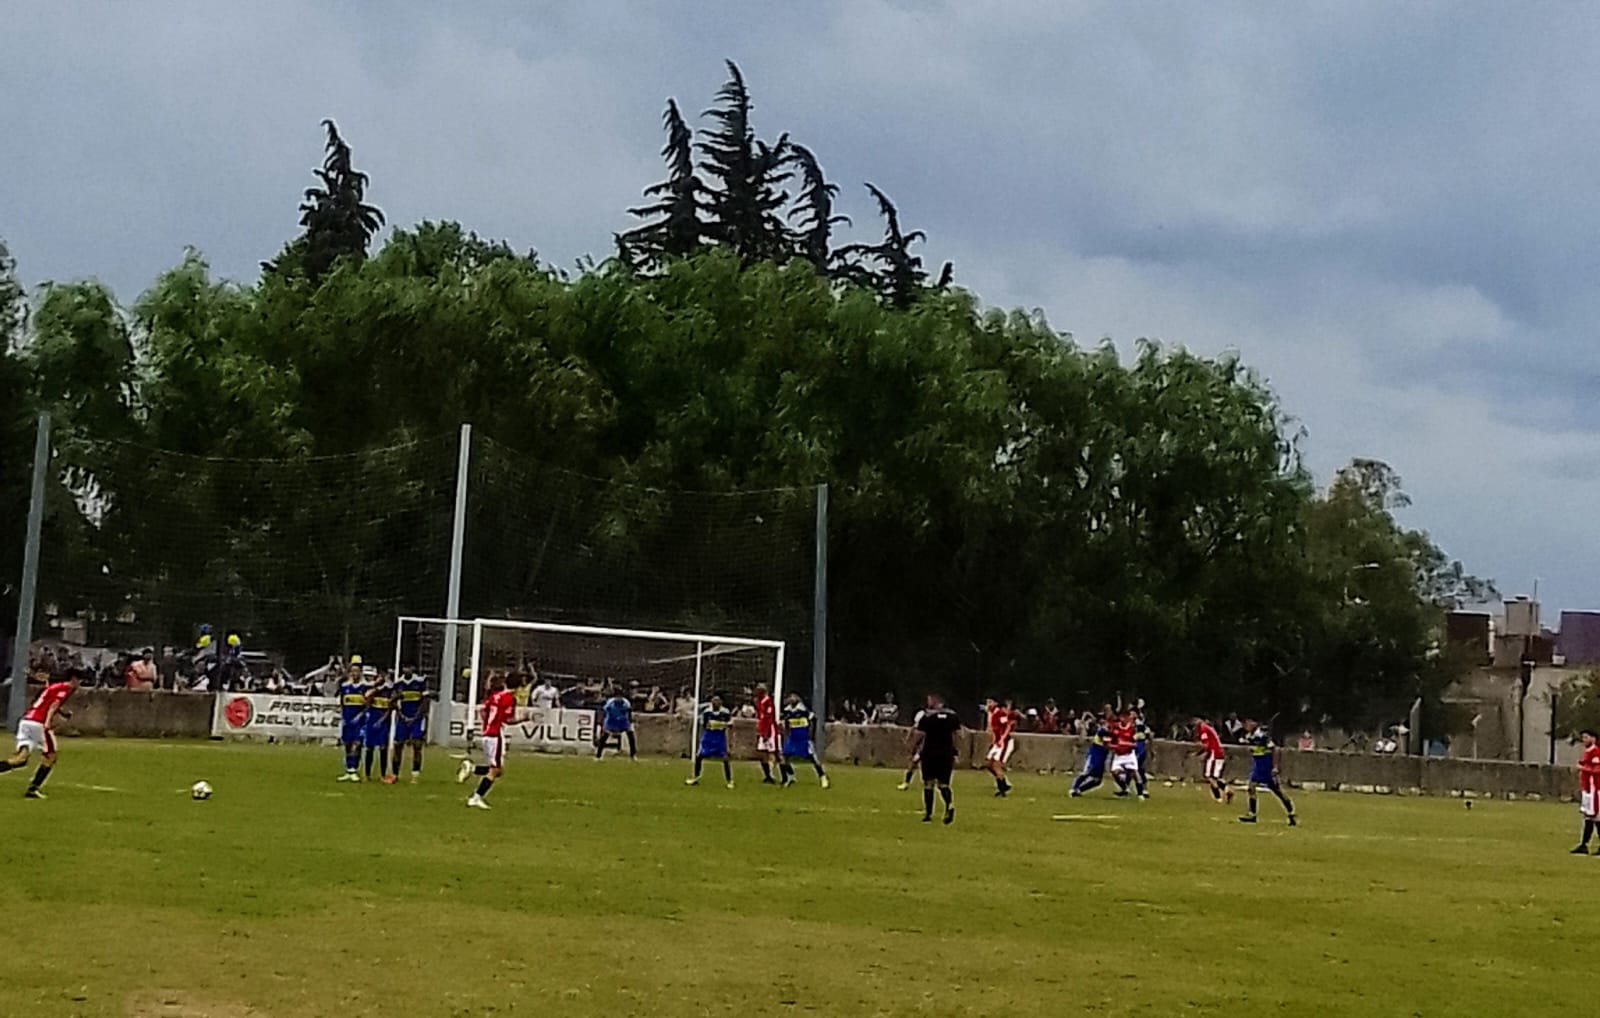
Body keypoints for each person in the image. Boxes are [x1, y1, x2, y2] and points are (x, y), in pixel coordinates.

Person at [0, 667, 80, 798]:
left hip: (26, 721)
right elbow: (53, 705)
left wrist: (63, 713)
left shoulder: (53, 687)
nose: (80, 684)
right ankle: (33, 789)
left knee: (21, 759)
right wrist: (47, 722)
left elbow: (48, 703)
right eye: (80, 680)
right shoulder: (64, 688)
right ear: (74, 679)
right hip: (39, 724)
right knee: (50, 757)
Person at [459, 672, 521, 809]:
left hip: (487, 734)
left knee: (498, 770)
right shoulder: (509, 699)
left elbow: (483, 711)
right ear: (518, 687)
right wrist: (525, 719)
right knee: (495, 770)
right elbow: (508, 719)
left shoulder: (495, 695)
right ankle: (476, 797)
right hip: (495, 735)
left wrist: (488, 724)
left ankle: (472, 768)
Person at [911, 693, 961, 825]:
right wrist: (956, 751)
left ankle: (928, 814)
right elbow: (957, 735)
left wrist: (914, 748)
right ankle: (949, 805)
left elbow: (920, 734)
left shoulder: (927, 716)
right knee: (944, 784)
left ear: (935, 700)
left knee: (929, 783)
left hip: (930, 753)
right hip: (946, 754)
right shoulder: (952, 716)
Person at [1239, 717, 1297, 826]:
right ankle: (1252, 814)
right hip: (1258, 765)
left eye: (1248, 722)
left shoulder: (1262, 735)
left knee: (1277, 790)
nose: (1246, 725)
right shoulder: (1249, 736)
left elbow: (1274, 749)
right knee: (1251, 787)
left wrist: (1275, 766)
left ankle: (1291, 813)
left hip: (1266, 765)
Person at [778, 692, 829, 788]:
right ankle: (790, 776)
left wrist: (811, 734)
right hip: (793, 737)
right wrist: (787, 731)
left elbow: (813, 719)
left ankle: (823, 776)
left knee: (812, 758)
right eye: (790, 697)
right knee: (784, 757)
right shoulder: (787, 710)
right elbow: (786, 721)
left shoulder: (803, 710)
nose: (791, 698)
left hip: (803, 737)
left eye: (793, 697)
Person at [685, 694, 734, 788]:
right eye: (714, 701)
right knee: (699, 756)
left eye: (718, 701)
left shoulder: (725, 712)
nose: (716, 703)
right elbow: (704, 724)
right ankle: (695, 777)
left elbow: (730, 724)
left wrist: (724, 725)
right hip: (709, 736)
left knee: (725, 758)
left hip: (719, 737)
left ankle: (729, 781)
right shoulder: (707, 712)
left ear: (721, 703)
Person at [391, 666, 430, 784]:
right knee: (398, 745)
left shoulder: (420, 682)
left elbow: (425, 701)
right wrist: (400, 714)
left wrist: (417, 716)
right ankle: (395, 774)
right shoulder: (398, 683)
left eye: (409, 667)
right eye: (405, 667)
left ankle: (415, 774)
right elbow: (393, 700)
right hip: (403, 718)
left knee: (417, 744)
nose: (407, 670)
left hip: (416, 718)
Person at [336, 657, 370, 782]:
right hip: (347, 721)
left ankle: (354, 769)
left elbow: (368, 706)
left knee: (357, 744)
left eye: (357, 671)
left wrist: (360, 716)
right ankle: (348, 769)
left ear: (360, 672)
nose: (354, 673)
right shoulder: (345, 687)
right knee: (347, 745)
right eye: (352, 671)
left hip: (359, 722)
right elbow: (342, 703)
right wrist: (343, 716)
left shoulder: (365, 687)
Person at [363, 671, 396, 783]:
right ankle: (367, 774)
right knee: (369, 748)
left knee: (383, 748)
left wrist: (382, 720)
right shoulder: (372, 689)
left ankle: (382, 774)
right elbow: (367, 698)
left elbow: (391, 708)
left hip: (383, 723)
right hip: (372, 722)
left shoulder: (389, 691)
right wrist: (377, 688)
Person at [1070, 714, 1111, 797]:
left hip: (1102, 757)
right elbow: (1108, 743)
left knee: (1097, 780)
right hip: (1095, 756)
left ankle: (1079, 790)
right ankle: (1074, 788)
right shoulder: (1102, 731)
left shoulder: (1108, 731)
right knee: (1087, 772)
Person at [1194, 714, 1231, 804]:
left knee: (1210, 777)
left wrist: (1202, 751)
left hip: (1214, 754)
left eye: (1196, 720)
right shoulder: (1208, 728)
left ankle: (1218, 798)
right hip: (1218, 753)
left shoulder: (1203, 729)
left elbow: (1206, 744)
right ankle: (1227, 790)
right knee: (1214, 777)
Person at [1109, 709, 1145, 799]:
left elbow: (1135, 744)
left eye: (1126, 717)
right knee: (1114, 772)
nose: (1124, 719)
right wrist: (1115, 746)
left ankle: (1140, 794)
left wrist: (1125, 744)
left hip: (1129, 754)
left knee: (1134, 772)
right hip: (1118, 755)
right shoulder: (1115, 727)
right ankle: (1125, 789)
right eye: (1122, 717)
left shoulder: (1133, 729)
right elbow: (1110, 743)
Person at [982, 698, 1015, 797]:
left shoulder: (1000, 713)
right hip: (997, 742)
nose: (988, 704)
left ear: (996, 703)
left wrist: (1002, 739)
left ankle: (1001, 789)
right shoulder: (991, 714)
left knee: (996, 765)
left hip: (1004, 742)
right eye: (987, 702)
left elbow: (1007, 726)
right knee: (988, 764)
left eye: (990, 702)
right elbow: (992, 729)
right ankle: (1003, 783)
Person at [1576, 729, 1600, 853]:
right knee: (1588, 817)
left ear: (1593, 738)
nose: (1583, 740)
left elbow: (1597, 770)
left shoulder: (1596, 752)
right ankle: (1583, 845)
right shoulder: (1587, 752)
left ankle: (1586, 845)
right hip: (1588, 789)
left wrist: (1582, 768)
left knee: (1595, 817)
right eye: (1583, 737)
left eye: (1586, 737)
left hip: (1595, 789)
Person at [595, 689, 636, 760]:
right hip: (612, 720)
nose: (618, 698)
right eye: (617, 697)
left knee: (630, 734)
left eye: (620, 697)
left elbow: (629, 712)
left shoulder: (626, 702)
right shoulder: (610, 702)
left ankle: (633, 755)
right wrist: (603, 722)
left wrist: (630, 722)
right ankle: (598, 755)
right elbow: (605, 712)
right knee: (604, 736)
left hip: (622, 720)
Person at [753, 683, 779, 784]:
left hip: (769, 730)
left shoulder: (768, 701)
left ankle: (772, 773)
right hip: (763, 729)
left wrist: (766, 733)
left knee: (772, 752)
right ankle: (767, 775)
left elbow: (769, 718)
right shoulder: (759, 702)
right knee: (762, 753)